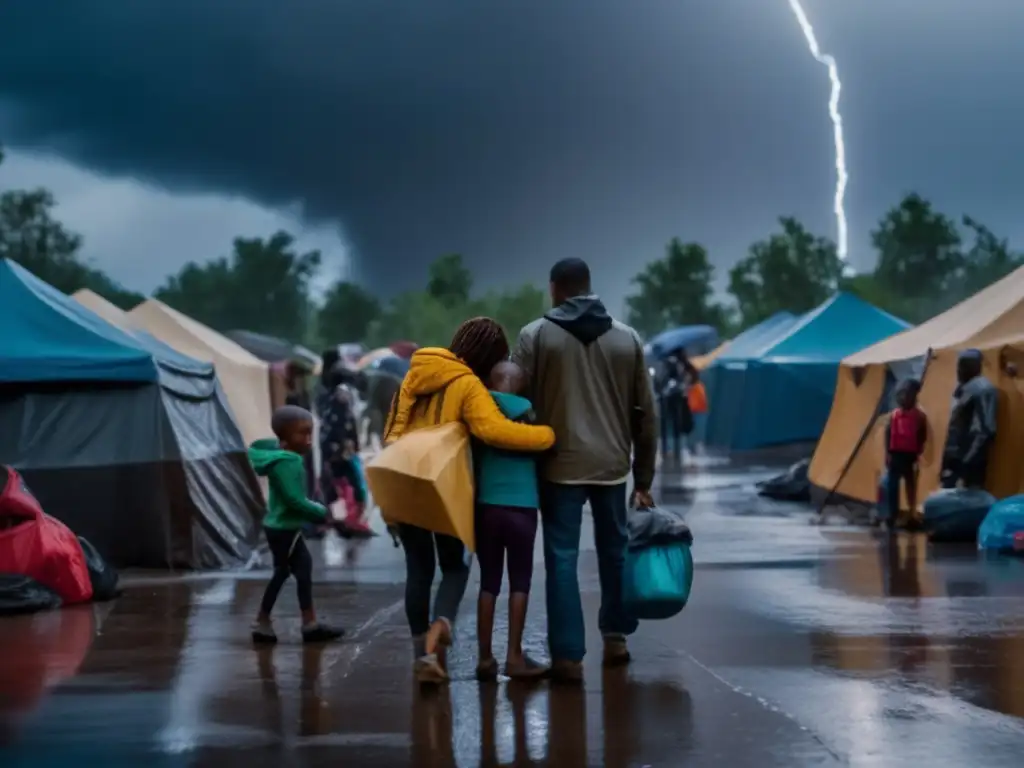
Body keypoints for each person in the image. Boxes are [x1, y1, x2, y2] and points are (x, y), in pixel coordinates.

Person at [383, 317, 556, 684]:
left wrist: (389, 501)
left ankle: (424, 658)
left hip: (404, 481)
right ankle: (442, 622)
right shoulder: (466, 384)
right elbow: (494, 430)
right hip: (444, 487)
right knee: (456, 567)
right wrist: (546, 437)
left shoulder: (410, 381)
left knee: (418, 569)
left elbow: (391, 434)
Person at [513, 258, 658, 683]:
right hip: (613, 465)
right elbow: (646, 413)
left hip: (559, 464)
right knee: (614, 551)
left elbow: (512, 401)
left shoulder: (536, 336)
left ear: (556, 288)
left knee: (561, 557)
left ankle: (568, 657)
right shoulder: (627, 338)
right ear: (589, 287)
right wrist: (643, 477)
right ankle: (616, 637)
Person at [474, 360, 548, 681]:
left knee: (488, 581)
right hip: (523, 507)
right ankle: (514, 656)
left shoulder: (479, 411)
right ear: (519, 384)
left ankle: (484, 657)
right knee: (520, 581)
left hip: (487, 505)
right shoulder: (531, 414)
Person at [248, 405, 344, 644]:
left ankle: (307, 622)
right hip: (284, 528)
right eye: (302, 433)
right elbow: (293, 499)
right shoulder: (288, 461)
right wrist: (321, 511)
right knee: (283, 573)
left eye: (310, 432)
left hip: (281, 527)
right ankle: (265, 621)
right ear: (286, 439)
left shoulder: (280, 456)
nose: (308, 440)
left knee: (301, 569)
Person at [941, 349, 998, 489]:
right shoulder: (964, 389)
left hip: (968, 462)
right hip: (955, 459)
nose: (959, 370)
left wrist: (967, 460)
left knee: (967, 505)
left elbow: (986, 430)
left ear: (975, 366)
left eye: (964, 365)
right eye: (959, 365)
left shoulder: (983, 389)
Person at [885, 379, 927, 527]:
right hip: (896, 453)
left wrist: (920, 451)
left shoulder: (919, 416)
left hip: (910, 455)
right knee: (892, 485)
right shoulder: (894, 415)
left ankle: (911, 513)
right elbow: (888, 434)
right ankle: (892, 513)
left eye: (907, 395)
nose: (903, 398)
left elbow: (922, 435)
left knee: (911, 484)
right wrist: (887, 454)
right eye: (901, 395)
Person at [658, 354, 693, 464]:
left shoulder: (673, 378)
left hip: (672, 407)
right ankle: (670, 450)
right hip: (672, 408)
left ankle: (671, 450)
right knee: (672, 429)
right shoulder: (673, 378)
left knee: (671, 429)